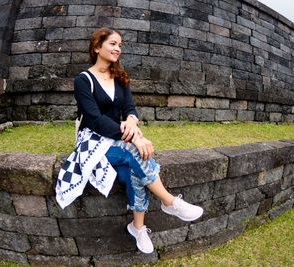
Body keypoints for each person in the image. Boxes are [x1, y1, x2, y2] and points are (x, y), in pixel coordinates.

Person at [69, 28, 203, 254]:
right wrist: (133, 138)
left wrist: (131, 123)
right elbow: (95, 120)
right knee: (135, 151)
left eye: (120, 45)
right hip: (92, 142)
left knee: (135, 170)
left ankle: (137, 227)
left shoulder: (120, 77)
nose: (117, 48)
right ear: (96, 47)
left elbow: (130, 109)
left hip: (117, 140)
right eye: (112, 43)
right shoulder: (84, 80)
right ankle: (169, 202)